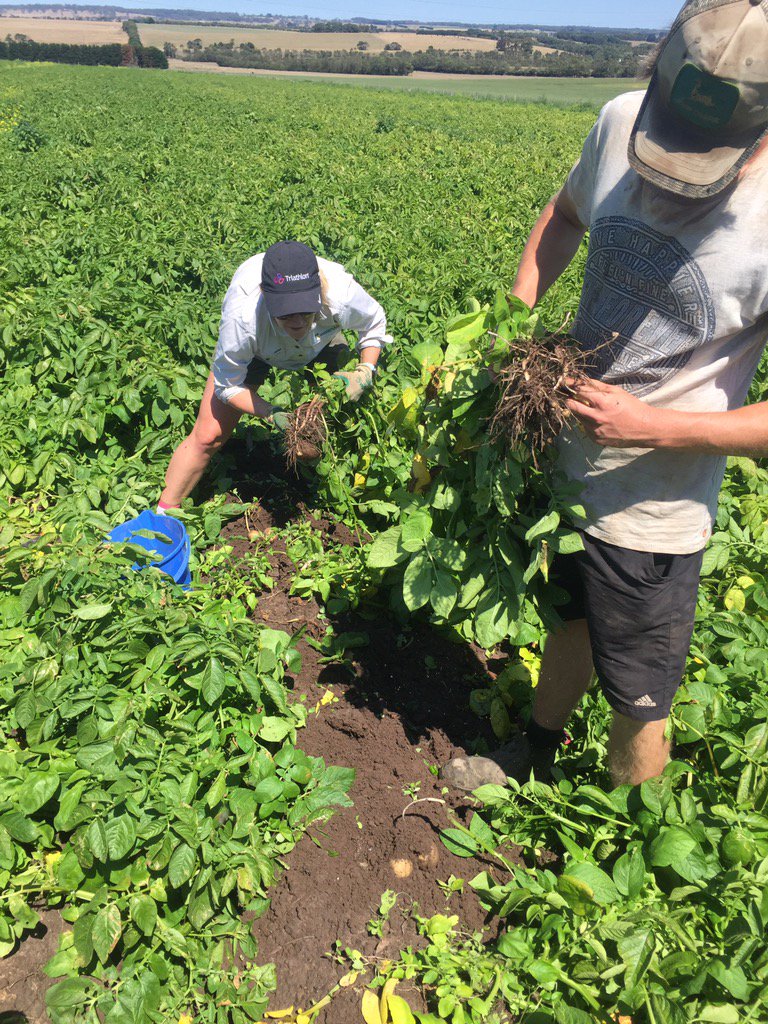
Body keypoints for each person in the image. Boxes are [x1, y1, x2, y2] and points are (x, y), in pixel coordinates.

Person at [443, 0, 768, 792]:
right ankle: (536, 755)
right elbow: (564, 215)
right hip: (567, 471)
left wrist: (651, 425)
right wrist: (505, 332)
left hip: (657, 508)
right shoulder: (621, 118)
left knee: (638, 695)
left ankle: (621, 859)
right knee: (570, 623)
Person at [158, 240, 391, 510]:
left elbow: (374, 322)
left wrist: (365, 370)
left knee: (331, 421)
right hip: (260, 350)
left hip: (322, 343)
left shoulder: (341, 293)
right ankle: (163, 518)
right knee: (208, 434)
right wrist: (272, 413)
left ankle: (327, 494)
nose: (297, 322)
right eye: (286, 314)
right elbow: (228, 386)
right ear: (266, 297)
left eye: (306, 311)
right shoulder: (243, 318)